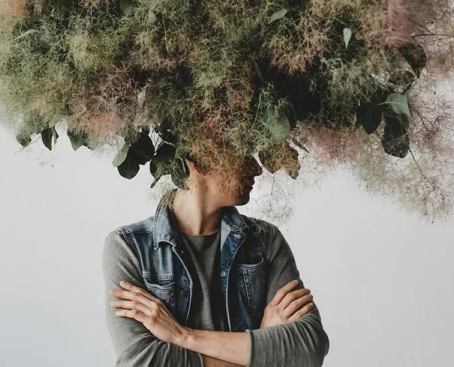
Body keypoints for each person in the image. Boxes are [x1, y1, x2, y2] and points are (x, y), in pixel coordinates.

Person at [102, 151, 330, 366]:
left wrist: (183, 335)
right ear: (200, 157)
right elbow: (140, 362)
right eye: (243, 154)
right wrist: (261, 352)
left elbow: (309, 348)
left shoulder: (265, 240)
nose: (257, 169)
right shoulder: (129, 247)